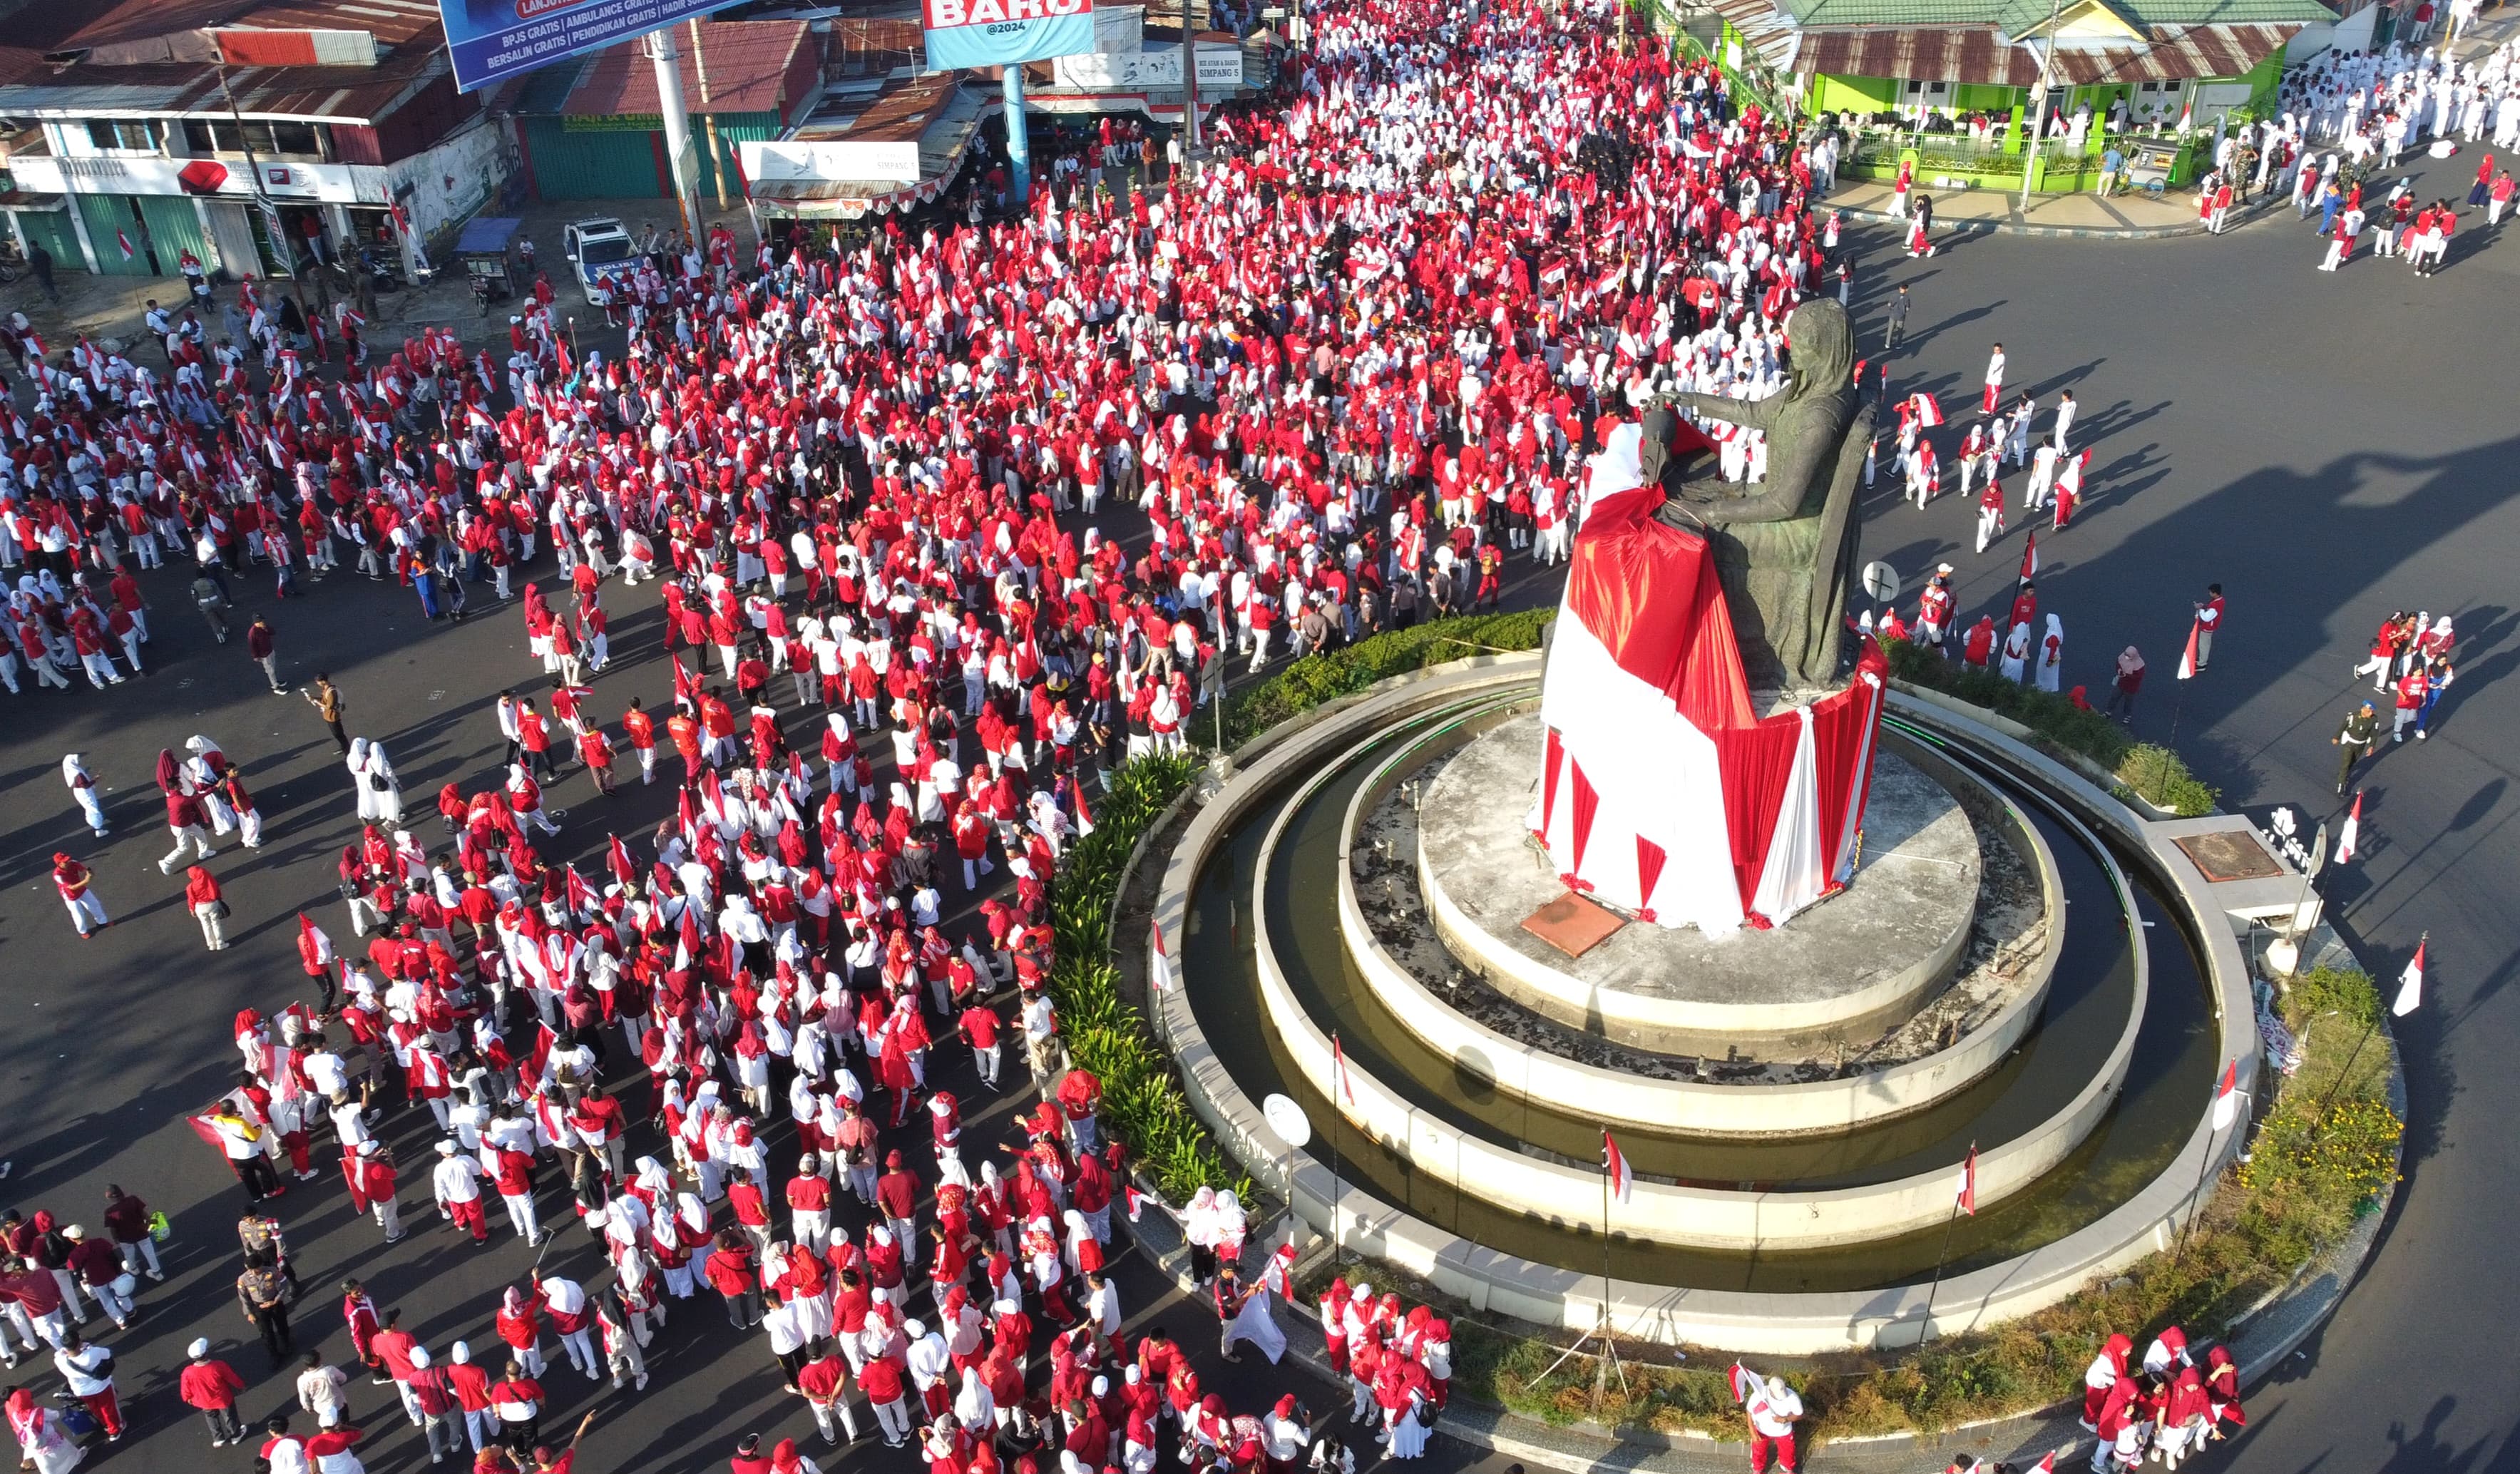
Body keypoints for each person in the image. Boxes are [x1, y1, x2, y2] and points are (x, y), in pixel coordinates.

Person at [180, 1338, 250, 1446]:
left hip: (204, 1401)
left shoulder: (188, 1372)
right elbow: (232, 1378)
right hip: (222, 1399)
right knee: (229, 1416)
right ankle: (235, 1435)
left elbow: (185, 1387)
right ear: (206, 1353)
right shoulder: (218, 1366)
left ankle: (218, 1438)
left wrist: (187, 1397)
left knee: (211, 1417)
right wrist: (241, 1386)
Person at [1745, 1376, 1803, 1474]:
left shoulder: (1792, 1397)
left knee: (1788, 1452)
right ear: (1770, 1391)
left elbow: (1799, 1415)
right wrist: (1752, 1432)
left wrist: (1785, 1419)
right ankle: (1757, 1470)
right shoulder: (1759, 1394)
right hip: (1762, 1430)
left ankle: (1788, 1469)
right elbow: (1749, 1411)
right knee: (1758, 1451)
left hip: (1784, 1432)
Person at [51, 854, 108, 941]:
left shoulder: (73, 863)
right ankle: (83, 931)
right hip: (70, 896)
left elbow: (84, 870)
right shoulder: (58, 875)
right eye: (65, 861)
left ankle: (102, 922)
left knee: (95, 904)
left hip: (82, 890)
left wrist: (90, 873)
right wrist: (86, 880)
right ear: (59, 864)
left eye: (67, 860)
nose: (68, 862)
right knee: (79, 915)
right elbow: (71, 888)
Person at [2334, 700, 2381, 794]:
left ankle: (2343, 774)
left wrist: (2371, 746)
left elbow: (2374, 734)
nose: (2371, 713)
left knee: (2353, 761)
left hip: (2361, 745)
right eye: (2369, 711)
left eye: (2372, 711)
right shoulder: (2352, 716)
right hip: (2350, 743)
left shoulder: (2374, 720)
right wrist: (2336, 737)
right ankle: (2341, 785)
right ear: (2363, 709)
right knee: (2346, 764)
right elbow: (2343, 726)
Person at [186, 862, 230, 950]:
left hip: (199, 907)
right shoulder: (210, 881)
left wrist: (192, 909)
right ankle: (220, 943)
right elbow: (217, 891)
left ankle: (211, 944)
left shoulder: (190, 887)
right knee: (216, 923)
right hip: (212, 904)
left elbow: (191, 899)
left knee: (206, 925)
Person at [304, 675, 351, 756]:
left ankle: (348, 752)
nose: (318, 684)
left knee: (339, 735)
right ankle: (344, 747)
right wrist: (313, 698)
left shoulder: (331, 692)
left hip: (333, 717)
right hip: (328, 716)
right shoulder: (326, 690)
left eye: (318, 682)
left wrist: (316, 701)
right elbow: (324, 701)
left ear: (323, 681)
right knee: (337, 735)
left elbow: (329, 706)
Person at [61, 755, 106, 838]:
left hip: (78, 792)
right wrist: (95, 779)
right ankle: (98, 829)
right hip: (85, 793)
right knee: (93, 808)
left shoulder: (70, 770)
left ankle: (94, 823)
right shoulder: (77, 773)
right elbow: (85, 785)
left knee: (89, 808)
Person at [2106, 646, 2144, 722]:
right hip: (2121, 683)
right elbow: (2118, 664)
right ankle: (2108, 712)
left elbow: (2138, 677)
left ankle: (2127, 716)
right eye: (2126, 654)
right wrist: (2119, 671)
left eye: (2128, 655)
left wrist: (2127, 675)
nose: (2126, 656)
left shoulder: (2139, 665)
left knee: (2128, 702)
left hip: (2131, 687)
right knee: (2114, 697)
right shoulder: (2122, 657)